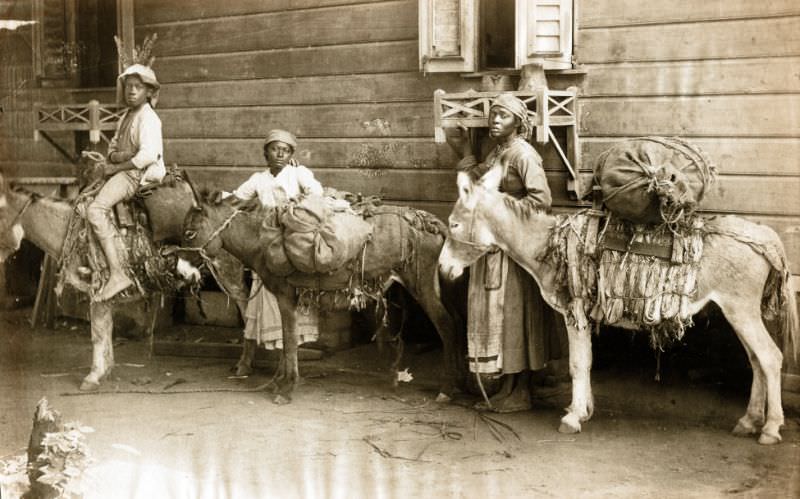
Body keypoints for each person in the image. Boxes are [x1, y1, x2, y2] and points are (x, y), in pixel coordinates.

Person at [446, 92, 565, 412]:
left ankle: (522, 389)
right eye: (493, 114)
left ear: (519, 122)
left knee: (516, 315)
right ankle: (509, 387)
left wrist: (500, 211)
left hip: (515, 251)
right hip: (493, 246)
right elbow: (481, 186)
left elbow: (541, 202)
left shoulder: (523, 154)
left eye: (504, 115)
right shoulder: (499, 151)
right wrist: (465, 151)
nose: (495, 120)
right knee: (500, 317)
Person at [232, 129, 323, 351]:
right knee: (265, 284)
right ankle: (272, 340)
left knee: (289, 284)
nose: (280, 154)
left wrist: (296, 205)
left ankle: (292, 343)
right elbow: (235, 199)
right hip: (267, 240)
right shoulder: (259, 179)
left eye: (285, 150)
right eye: (275, 149)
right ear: (266, 153)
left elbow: (317, 192)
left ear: (291, 153)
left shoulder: (298, 173)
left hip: (292, 236)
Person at [86, 63, 165, 302]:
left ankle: (118, 273)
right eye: (129, 86)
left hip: (139, 175)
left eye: (138, 87)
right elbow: (112, 148)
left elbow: (147, 156)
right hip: (125, 170)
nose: (131, 91)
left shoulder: (149, 118)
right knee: (84, 197)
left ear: (149, 92)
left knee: (95, 210)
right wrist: (117, 157)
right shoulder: (125, 117)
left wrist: (118, 165)